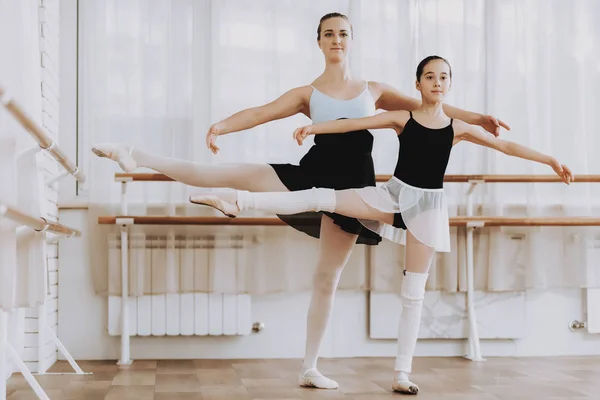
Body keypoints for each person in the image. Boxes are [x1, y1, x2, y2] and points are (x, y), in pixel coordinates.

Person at [91, 13, 509, 390]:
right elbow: (261, 112)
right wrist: (222, 125)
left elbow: (432, 106)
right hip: (308, 174)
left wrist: (477, 119)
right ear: (319, 41)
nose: (337, 40)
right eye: (329, 34)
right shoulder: (306, 92)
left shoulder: (376, 90)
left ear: (352, 39)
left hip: (353, 190)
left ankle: (309, 367)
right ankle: (135, 154)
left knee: (326, 278)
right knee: (217, 172)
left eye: (343, 33)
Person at [187, 55, 573, 394]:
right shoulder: (402, 117)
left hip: (426, 208)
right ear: (417, 83)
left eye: (443, 77)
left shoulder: (458, 128)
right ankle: (237, 202)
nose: (437, 83)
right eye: (430, 77)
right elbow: (354, 124)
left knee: (414, 293)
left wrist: (550, 160)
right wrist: (313, 129)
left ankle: (401, 374)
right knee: (322, 196)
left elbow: (506, 146)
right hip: (391, 196)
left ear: (449, 84)